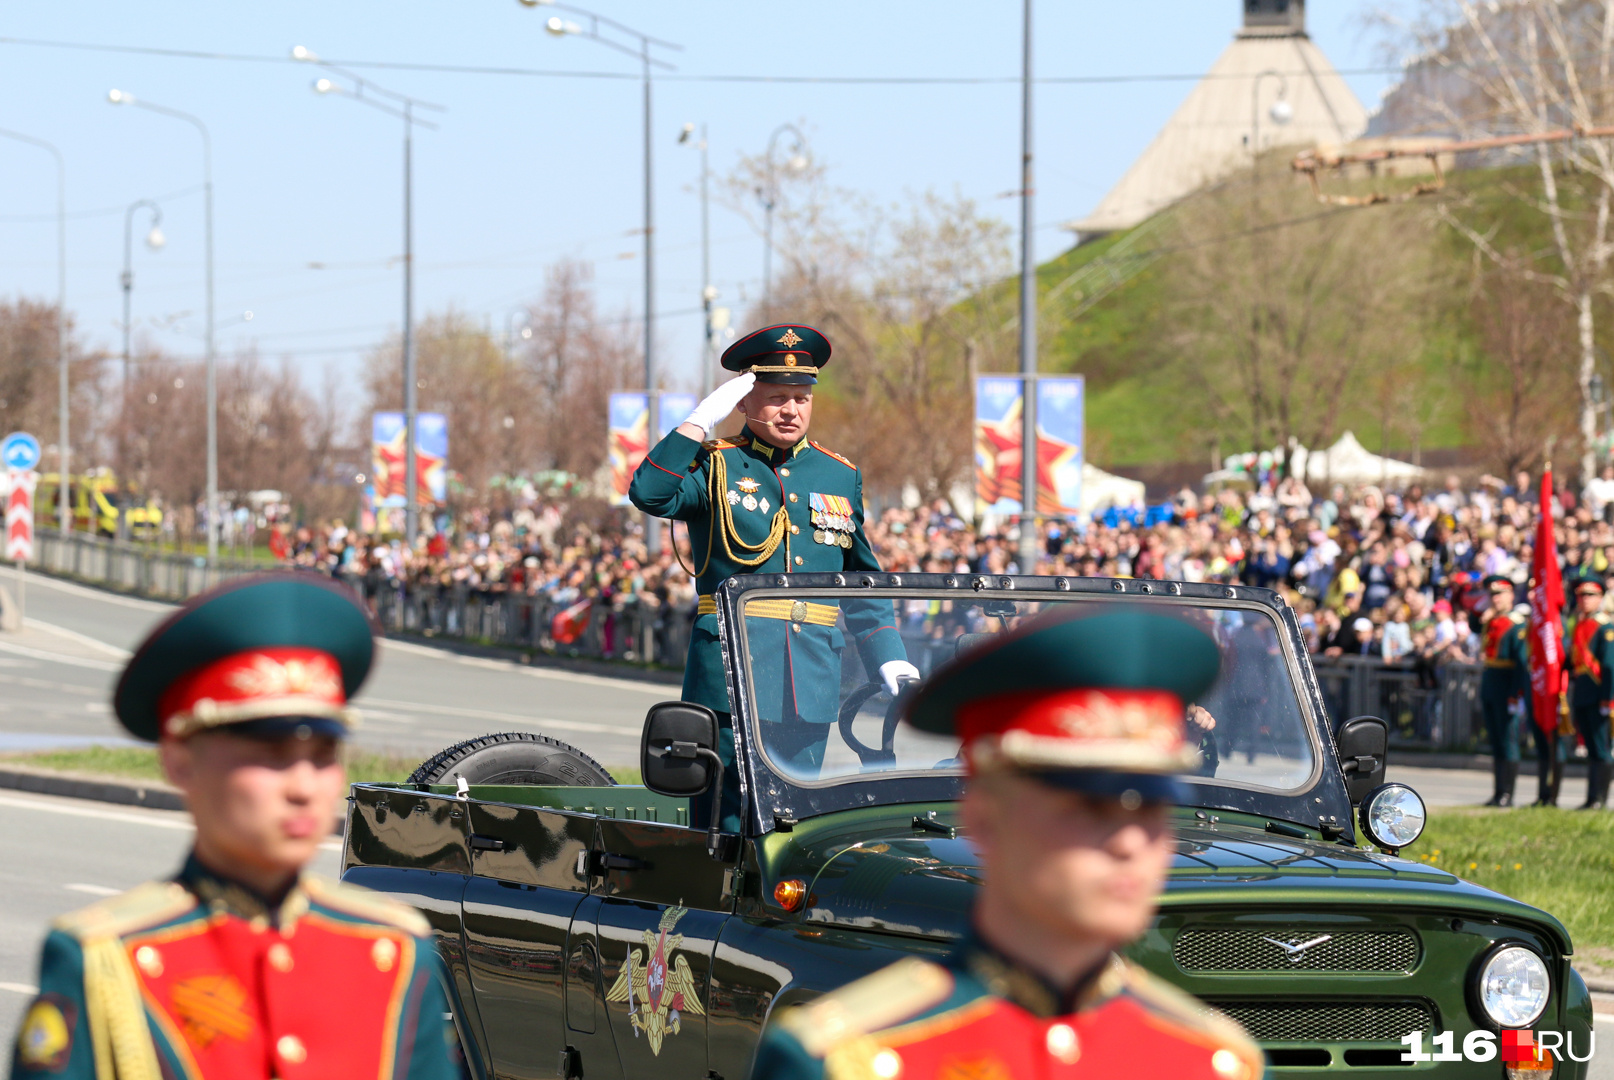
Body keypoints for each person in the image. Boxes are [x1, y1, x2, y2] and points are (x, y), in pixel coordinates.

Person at [749, 609, 1264, 1080]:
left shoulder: (1212, 1063)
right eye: (1089, 806)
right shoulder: (849, 1061)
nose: (1132, 841)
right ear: (985, 818)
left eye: (1153, 807)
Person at [10, 575, 461, 1080]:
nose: (304, 786)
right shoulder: (104, 961)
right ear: (180, 763)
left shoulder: (393, 955)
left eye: (323, 756)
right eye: (270, 754)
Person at [629, 325, 919, 805]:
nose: (791, 410)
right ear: (743, 402)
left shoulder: (839, 475)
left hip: (811, 678)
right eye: (776, 397)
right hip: (730, 670)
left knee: (797, 816)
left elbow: (859, 576)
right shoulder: (715, 465)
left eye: (802, 397)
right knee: (725, 820)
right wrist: (697, 423)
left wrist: (888, 653)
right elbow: (648, 493)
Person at [1565, 573, 1614, 809]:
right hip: (1583, 693)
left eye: (1590, 594)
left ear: (1601, 597)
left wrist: (1607, 699)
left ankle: (1600, 799)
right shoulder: (1580, 624)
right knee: (1591, 749)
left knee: (1601, 748)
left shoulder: (1605, 627)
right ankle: (1591, 797)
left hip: (1598, 695)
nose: (1583, 599)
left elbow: (1609, 666)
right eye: (1580, 595)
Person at [1478, 575, 1528, 807]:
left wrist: (1515, 694)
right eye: (1492, 594)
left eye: (1500, 594)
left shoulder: (1517, 624)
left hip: (1506, 686)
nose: (1495, 598)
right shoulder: (1492, 621)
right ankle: (1498, 792)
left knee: (1508, 742)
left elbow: (1521, 664)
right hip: (1491, 685)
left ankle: (1507, 793)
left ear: (1511, 595)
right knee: (1497, 742)